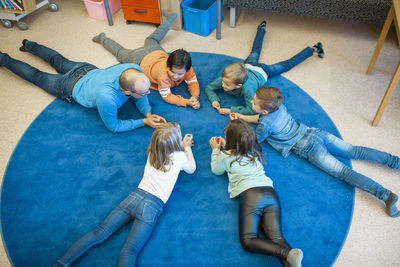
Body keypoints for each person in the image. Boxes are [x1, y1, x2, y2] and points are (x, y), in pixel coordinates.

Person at [230, 86, 400, 218]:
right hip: (314, 132)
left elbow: (256, 138)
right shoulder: (278, 107)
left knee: (344, 173)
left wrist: (240, 128)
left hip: (308, 148)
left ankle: (385, 195)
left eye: (253, 102)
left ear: (265, 110)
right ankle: (395, 162)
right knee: (354, 150)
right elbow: (261, 118)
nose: (251, 103)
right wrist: (241, 116)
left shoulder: (265, 124)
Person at [53, 122, 196, 267]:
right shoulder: (180, 157)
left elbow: (165, 146)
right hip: (152, 207)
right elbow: (191, 169)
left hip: (134, 197)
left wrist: (177, 144)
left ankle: (60, 264)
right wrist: (186, 148)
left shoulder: (153, 150)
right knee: (130, 250)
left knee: (98, 233)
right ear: (175, 143)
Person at [0, 40, 166, 133]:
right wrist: (143, 122)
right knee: (37, 76)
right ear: (127, 91)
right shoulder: (107, 97)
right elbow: (113, 126)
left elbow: (141, 94)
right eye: (145, 92)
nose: (149, 92)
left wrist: (148, 112)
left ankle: (28, 44)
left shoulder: (134, 69)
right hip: (68, 87)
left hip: (85, 69)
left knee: (56, 59)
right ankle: (3, 58)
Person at [209, 119, 303, 267]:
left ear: (231, 140)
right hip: (270, 193)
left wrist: (216, 149)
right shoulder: (253, 150)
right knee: (277, 238)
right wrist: (227, 146)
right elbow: (239, 151)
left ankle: (288, 254)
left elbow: (216, 169)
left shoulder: (226, 156)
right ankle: (291, 256)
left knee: (248, 240)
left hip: (252, 195)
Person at [205, 20, 324, 116]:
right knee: (255, 51)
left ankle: (313, 49)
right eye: (224, 82)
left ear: (238, 86)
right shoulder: (226, 79)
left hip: (262, 71)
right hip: (248, 65)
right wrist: (214, 99)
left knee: (286, 65)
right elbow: (209, 88)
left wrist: (232, 110)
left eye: (226, 84)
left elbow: (252, 109)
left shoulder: (248, 89)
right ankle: (261, 28)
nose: (222, 84)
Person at [92, 13, 200, 109]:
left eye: (180, 74)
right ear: (167, 67)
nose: (176, 77)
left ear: (187, 69)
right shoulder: (163, 76)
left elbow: (193, 81)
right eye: (173, 72)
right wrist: (185, 102)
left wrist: (194, 96)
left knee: (151, 40)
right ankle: (102, 38)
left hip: (156, 51)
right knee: (120, 53)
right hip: (140, 58)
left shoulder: (187, 67)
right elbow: (167, 96)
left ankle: (170, 19)